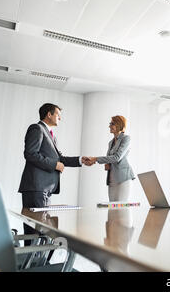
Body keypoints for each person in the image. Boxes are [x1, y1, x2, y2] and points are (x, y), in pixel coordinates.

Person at [18, 103, 86, 244]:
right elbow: (30, 154)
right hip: (36, 187)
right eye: (58, 115)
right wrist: (54, 165)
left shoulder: (51, 136)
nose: (60, 118)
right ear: (49, 114)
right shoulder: (37, 129)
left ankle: (36, 262)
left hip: (45, 189)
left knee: (42, 229)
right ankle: (32, 263)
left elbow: (60, 158)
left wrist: (81, 160)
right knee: (36, 230)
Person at [84, 115, 135, 202]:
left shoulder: (126, 138)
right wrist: (101, 163)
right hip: (112, 179)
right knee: (112, 209)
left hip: (123, 178)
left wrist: (95, 159)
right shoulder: (110, 142)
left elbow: (117, 158)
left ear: (119, 124)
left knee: (121, 210)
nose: (109, 126)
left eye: (112, 123)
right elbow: (108, 158)